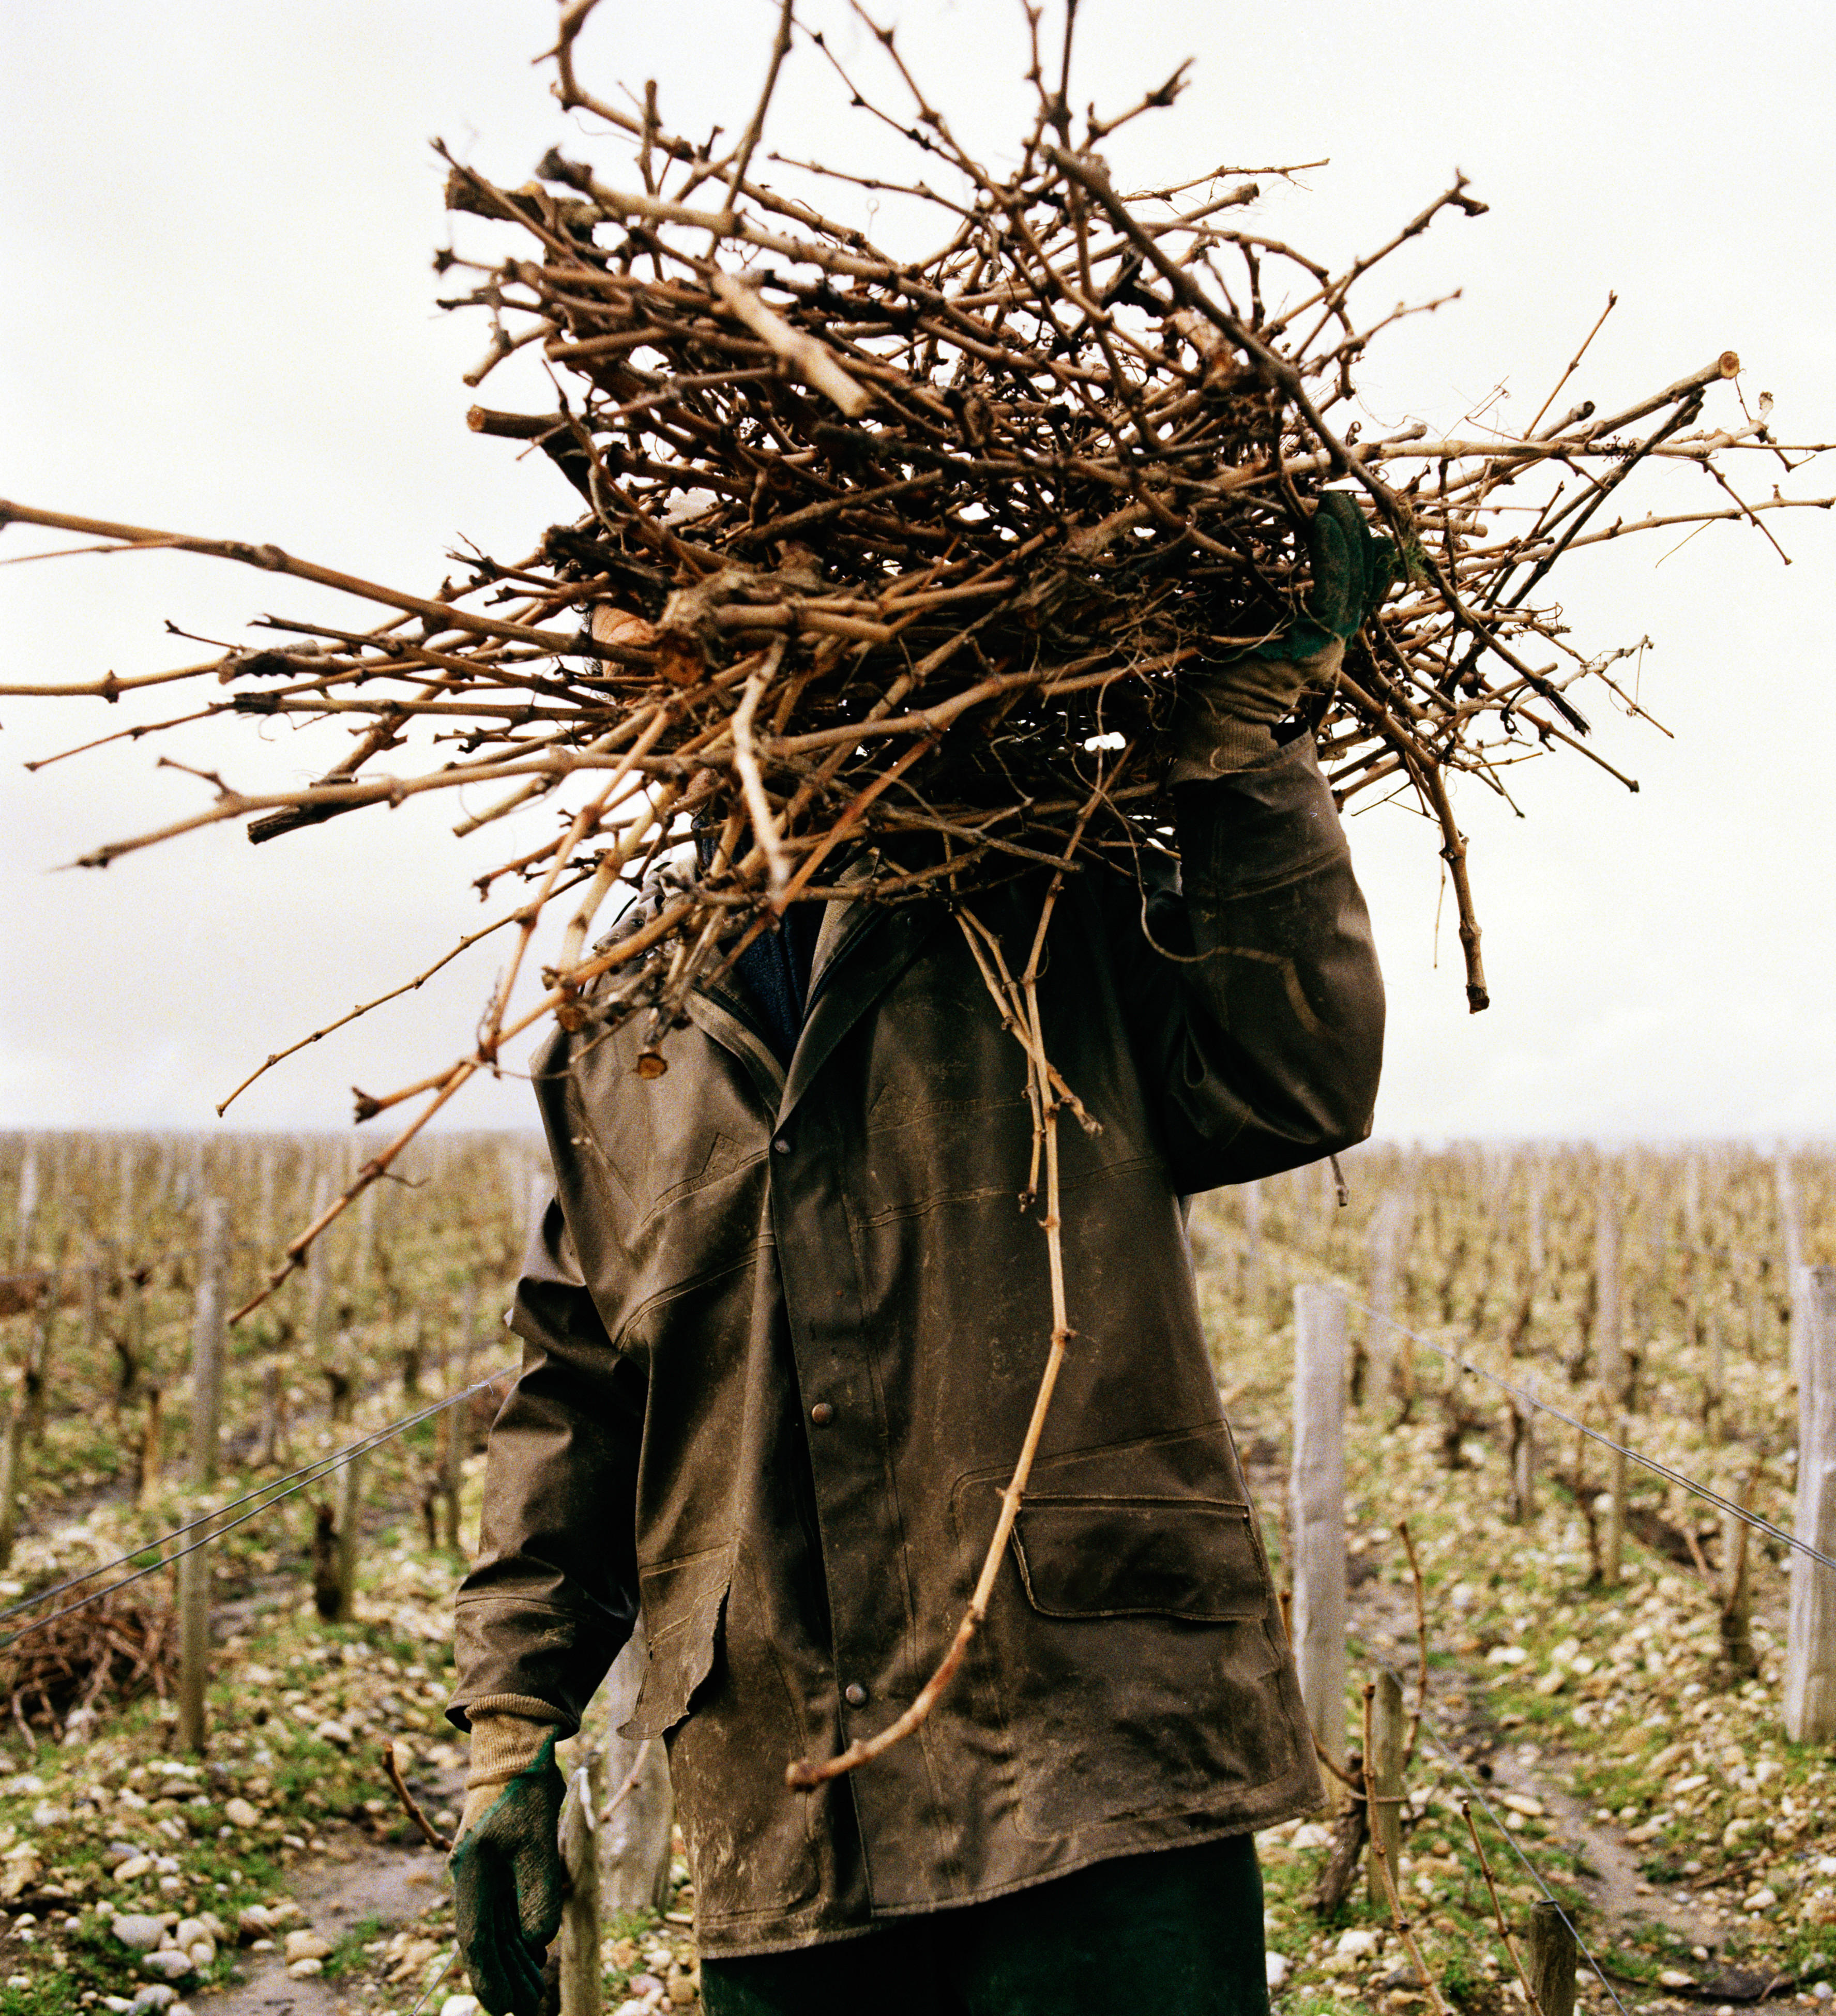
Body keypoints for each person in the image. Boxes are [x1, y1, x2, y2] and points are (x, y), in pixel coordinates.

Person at [446, 498, 1390, 2016]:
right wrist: (511, 1723)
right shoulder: (627, 1028)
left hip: (1096, 1756)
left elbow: (1298, 1078)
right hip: (789, 1800)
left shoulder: (1042, 895)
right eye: (685, 658)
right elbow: (573, 1386)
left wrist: (1242, 768)